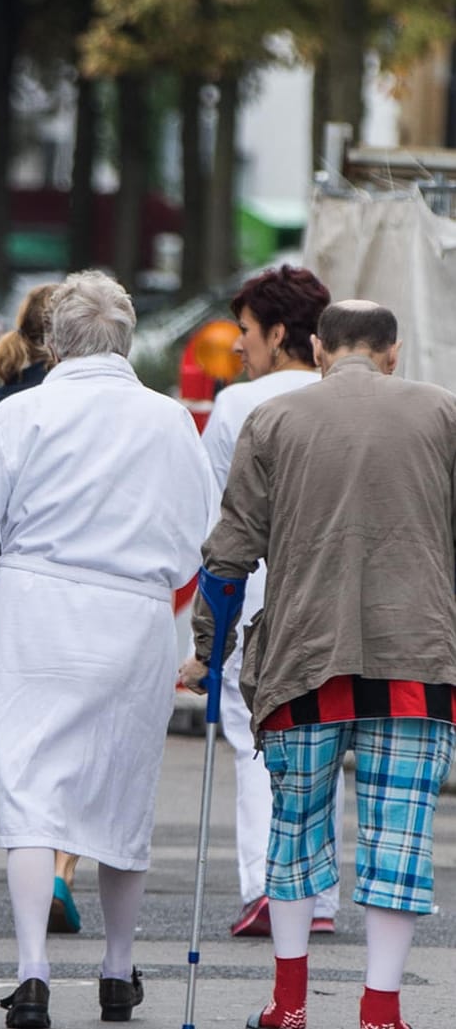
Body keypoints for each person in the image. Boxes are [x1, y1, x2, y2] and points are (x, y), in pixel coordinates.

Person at [0, 270, 217, 1028]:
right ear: (126, 338)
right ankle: (116, 967)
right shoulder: (169, 422)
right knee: (123, 794)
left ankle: (32, 969)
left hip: (37, 608)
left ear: (54, 341)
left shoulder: (23, 414)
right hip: (132, 614)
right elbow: (201, 532)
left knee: (32, 793)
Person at [184, 300, 456, 1029]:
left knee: (295, 828)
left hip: (303, 657)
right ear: (393, 351)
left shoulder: (272, 421)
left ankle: (289, 1004)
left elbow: (229, 550)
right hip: (416, 661)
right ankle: (379, 1009)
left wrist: (208, 648)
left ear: (315, 346)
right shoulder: (443, 414)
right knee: (398, 832)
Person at [192, 265, 341, 938]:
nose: (239, 347)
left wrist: (201, 634)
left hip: (260, 586)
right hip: (339, 585)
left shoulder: (237, 406)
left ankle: (265, 884)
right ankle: (322, 894)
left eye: (247, 333)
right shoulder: (344, 397)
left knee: (252, 736)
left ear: (279, 333)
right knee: (328, 731)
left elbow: (214, 516)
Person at [0, 284, 85, 937]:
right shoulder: (104, 406)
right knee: (83, 740)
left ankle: (39, 875)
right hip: (95, 593)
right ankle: (65, 867)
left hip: (19, 589)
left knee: (32, 745)